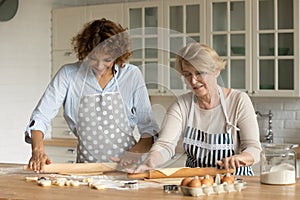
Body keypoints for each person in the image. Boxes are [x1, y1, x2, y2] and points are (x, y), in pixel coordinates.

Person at [24, 18, 159, 173]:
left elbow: (149, 128)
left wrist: (134, 154)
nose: (100, 66)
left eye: (107, 60)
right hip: (85, 170)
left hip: (127, 169)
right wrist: (38, 150)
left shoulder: (132, 75)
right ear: (85, 52)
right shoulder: (68, 75)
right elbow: (41, 117)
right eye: (93, 59)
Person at [132, 43, 261, 176]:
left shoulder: (238, 100)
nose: (193, 81)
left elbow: (254, 148)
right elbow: (165, 145)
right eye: (187, 74)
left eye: (199, 73)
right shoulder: (182, 105)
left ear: (216, 71)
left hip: (236, 182)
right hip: (195, 184)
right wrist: (151, 160)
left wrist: (243, 157)